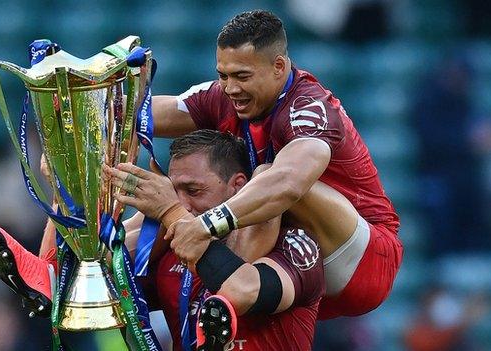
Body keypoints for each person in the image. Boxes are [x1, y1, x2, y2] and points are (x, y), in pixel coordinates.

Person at [145, 9, 402, 320]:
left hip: (360, 261)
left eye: (242, 76)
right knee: (169, 194)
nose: (230, 87)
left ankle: (222, 289)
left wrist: (204, 226)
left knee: (266, 176)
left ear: (278, 67)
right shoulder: (225, 96)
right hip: (294, 256)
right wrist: (88, 102)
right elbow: (147, 114)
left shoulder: (308, 108)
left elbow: (288, 183)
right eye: (223, 75)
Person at [0, 130, 325, 351]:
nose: (183, 204)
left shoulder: (294, 245)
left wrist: (172, 212)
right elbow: (77, 298)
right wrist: (65, 194)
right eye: (174, 192)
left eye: (194, 191)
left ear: (237, 186)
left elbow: (245, 289)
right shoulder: (168, 257)